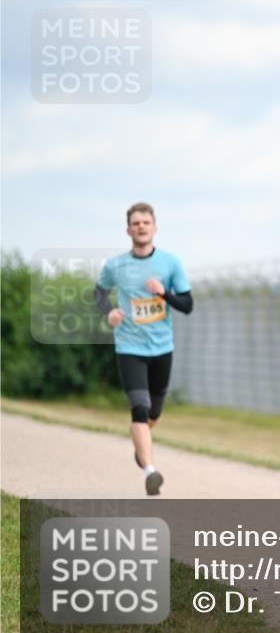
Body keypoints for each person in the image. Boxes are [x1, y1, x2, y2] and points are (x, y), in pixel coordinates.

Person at [95, 202, 193, 496]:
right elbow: (99, 293)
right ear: (128, 229)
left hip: (162, 347)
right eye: (135, 223)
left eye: (145, 222)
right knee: (140, 407)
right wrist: (108, 313)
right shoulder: (115, 266)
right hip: (129, 346)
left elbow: (188, 305)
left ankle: (141, 447)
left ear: (154, 228)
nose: (140, 227)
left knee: (154, 413)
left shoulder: (170, 263)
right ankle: (150, 470)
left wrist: (163, 292)